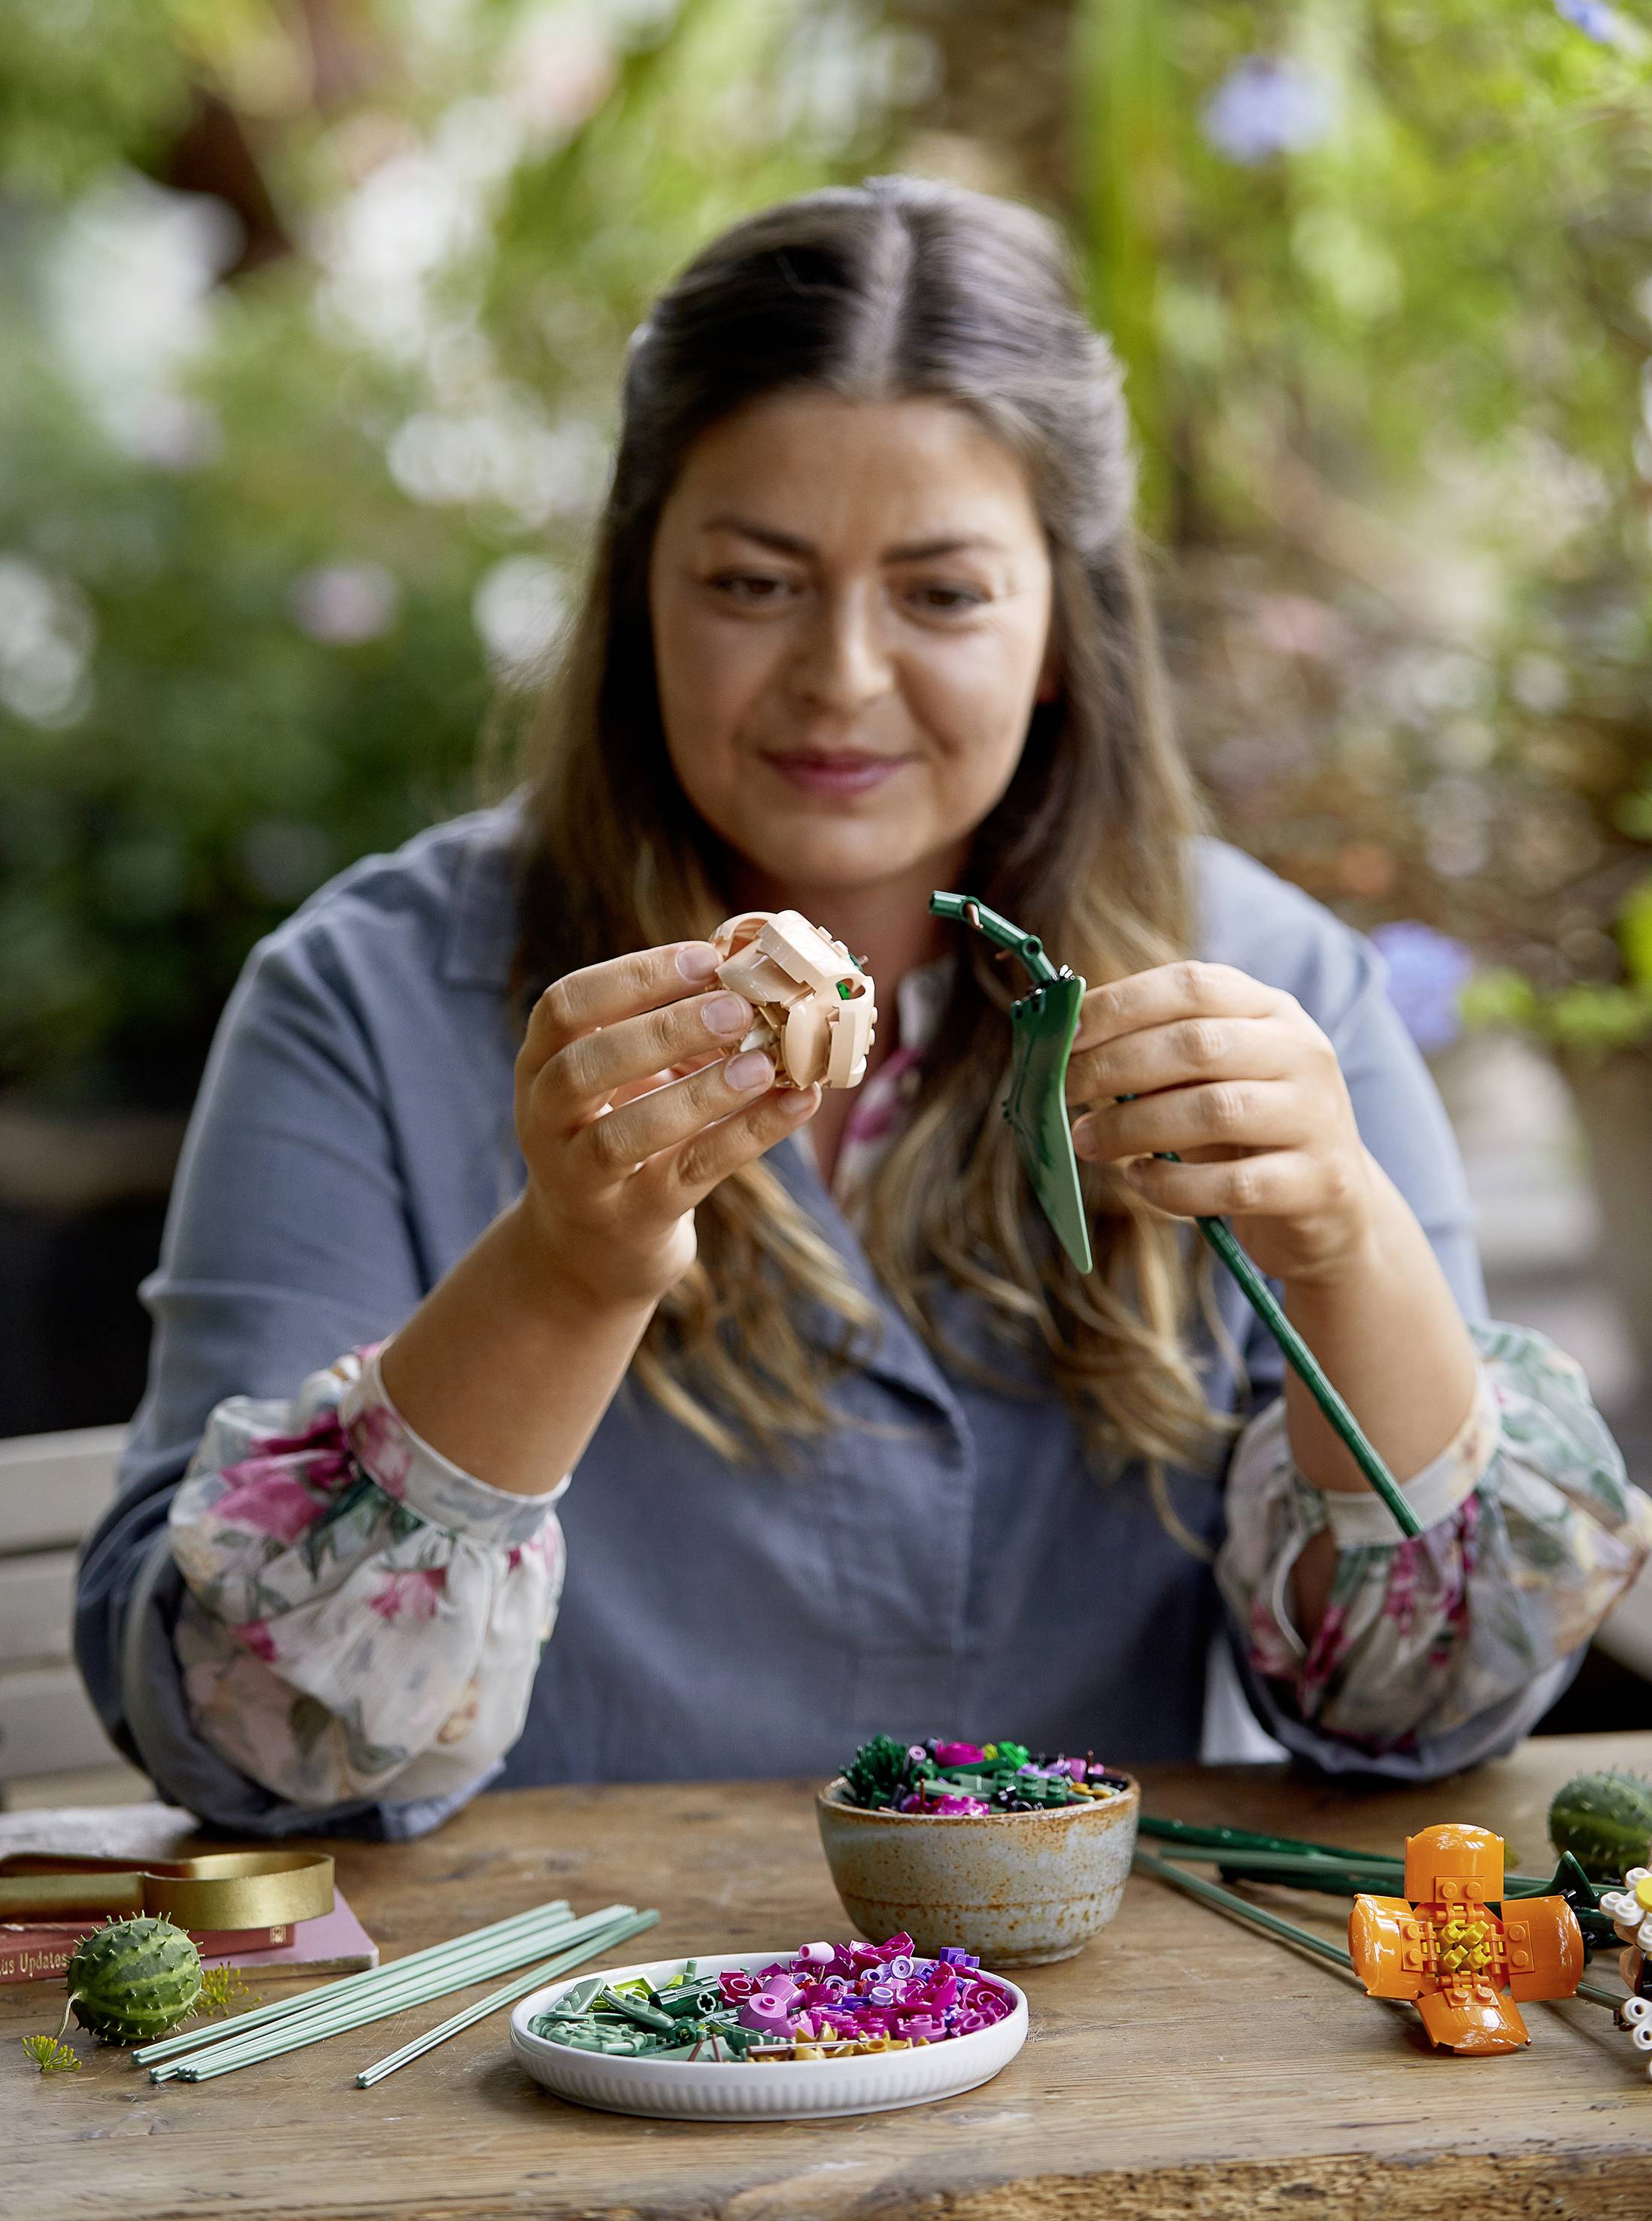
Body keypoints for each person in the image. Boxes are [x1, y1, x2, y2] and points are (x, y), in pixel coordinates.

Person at [77, 177, 1650, 1840]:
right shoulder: (363, 999)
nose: (837, 673)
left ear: (1061, 626)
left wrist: (1342, 1237)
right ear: (635, 597)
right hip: (525, 2031)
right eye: (752, 583)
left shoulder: (1277, 994)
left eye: (942, 593)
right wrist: (567, 1265)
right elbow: (222, 1730)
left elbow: (1439, 1705)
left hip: (1115, 2035)